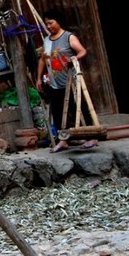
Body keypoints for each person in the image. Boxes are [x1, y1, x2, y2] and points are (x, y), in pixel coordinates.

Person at [36, 9, 94, 153]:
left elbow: (82, 51)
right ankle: (63, 141)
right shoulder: (47, 40)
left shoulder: (69, 37)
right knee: (57, 112)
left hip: (71, 81)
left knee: (79, 109)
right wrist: (38, 78)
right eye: (46, 24)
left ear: (58, 22)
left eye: (51, 23)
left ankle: (92, 137)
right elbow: (43, 59)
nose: (48, 26)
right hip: (55, 83)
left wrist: (75, 57)